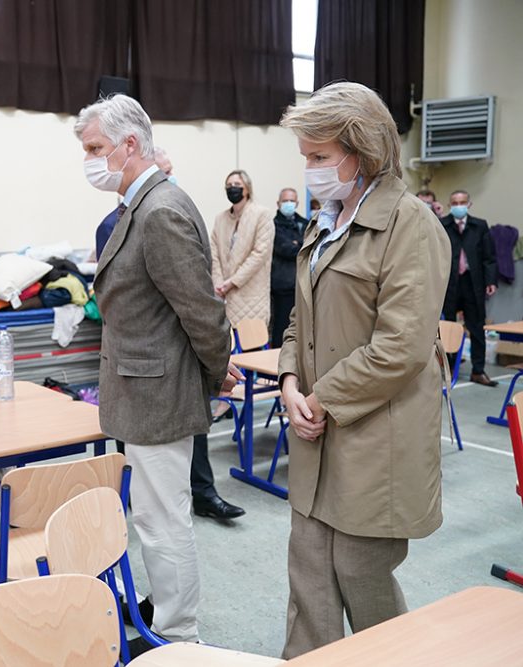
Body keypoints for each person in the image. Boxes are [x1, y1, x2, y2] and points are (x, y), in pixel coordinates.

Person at [278, 81, 450, 658]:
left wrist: (320, 399)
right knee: (308, 579)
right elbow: (299, 324)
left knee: (361, 576)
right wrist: (288, 384)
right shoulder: (322, 222)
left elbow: (400, 346)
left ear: (364, 149)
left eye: (320, 157)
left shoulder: (410, 224)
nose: (310, 170)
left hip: (377, 440)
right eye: (305, 157)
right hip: (315, 431)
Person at [75, 94, 240, 655]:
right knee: (151, 515)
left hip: (159, 394)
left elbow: (200, 309)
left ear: (129, 145)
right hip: (143, 389)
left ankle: (177, 633)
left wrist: (217, 373)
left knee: (165, 520)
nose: (90, 160)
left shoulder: (160, 210)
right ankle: (165, 605)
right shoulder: (140, 205)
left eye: (95, 148)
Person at [441, 190, 499, 386]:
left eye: (462, 202)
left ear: (469, 204)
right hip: (449, 284)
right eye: (455, 202)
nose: (459, 205)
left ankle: (478, 370)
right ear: (450, 205)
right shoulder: (443, 225)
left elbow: (489, 257)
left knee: (476, 326)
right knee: (448, 327)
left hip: (473, 282)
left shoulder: (479, 226)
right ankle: (447, 368)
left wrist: (491, 281)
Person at [210, 170, 275, 327]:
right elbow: (214, 254)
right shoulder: (221, 219)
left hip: (251, 295)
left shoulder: (262, 215)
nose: (233, 188)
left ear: (247, 188)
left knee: (253, 348)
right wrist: (218, 283)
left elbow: (260, 254)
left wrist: (233, 282)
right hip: (224, 295)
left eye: (237, 185)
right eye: (229, 185)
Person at [95, 147, 173, 260]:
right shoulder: (110, 227)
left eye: (170, 171)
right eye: (166, 172)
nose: (171, 177)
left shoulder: (174, 211)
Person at [270, 187, 309, 347]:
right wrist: (300, 244)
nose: (288, 204)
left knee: (301, 331)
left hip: (302, 285)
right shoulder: (273, 225)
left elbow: (310, 247)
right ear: (278, 203)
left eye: (292, 201)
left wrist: (297, 244)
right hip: (282, 287)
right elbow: (285, 248)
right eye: (285, 201)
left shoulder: (305, 223)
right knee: (281, 330)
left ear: (297, 203)